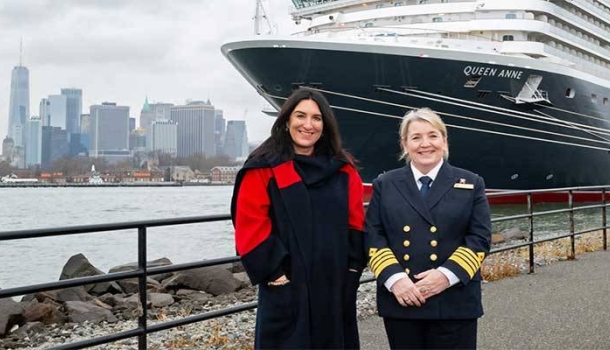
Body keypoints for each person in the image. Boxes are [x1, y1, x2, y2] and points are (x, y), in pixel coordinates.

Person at [231, 87, 366, 349]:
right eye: (300, 116)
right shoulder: (264, 167)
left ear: (325, 125)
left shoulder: (343, 169)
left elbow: (356, 222)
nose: (308, 125)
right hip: (287, 285)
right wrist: (275, 276)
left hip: (334, 286)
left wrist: (352, 271)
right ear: (286, 121)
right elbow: (250, 225)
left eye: (316, 118)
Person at [364, 108, 492, 349]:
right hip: (403, 299)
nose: (425, 144)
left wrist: (445, 276)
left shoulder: (471, 183)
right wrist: (396, 279)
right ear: (404, 144)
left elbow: (479, 238)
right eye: (416, 137)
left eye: (433, 136)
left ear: (444, 141)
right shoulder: (385, 184)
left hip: (454, 301)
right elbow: (374, 235)